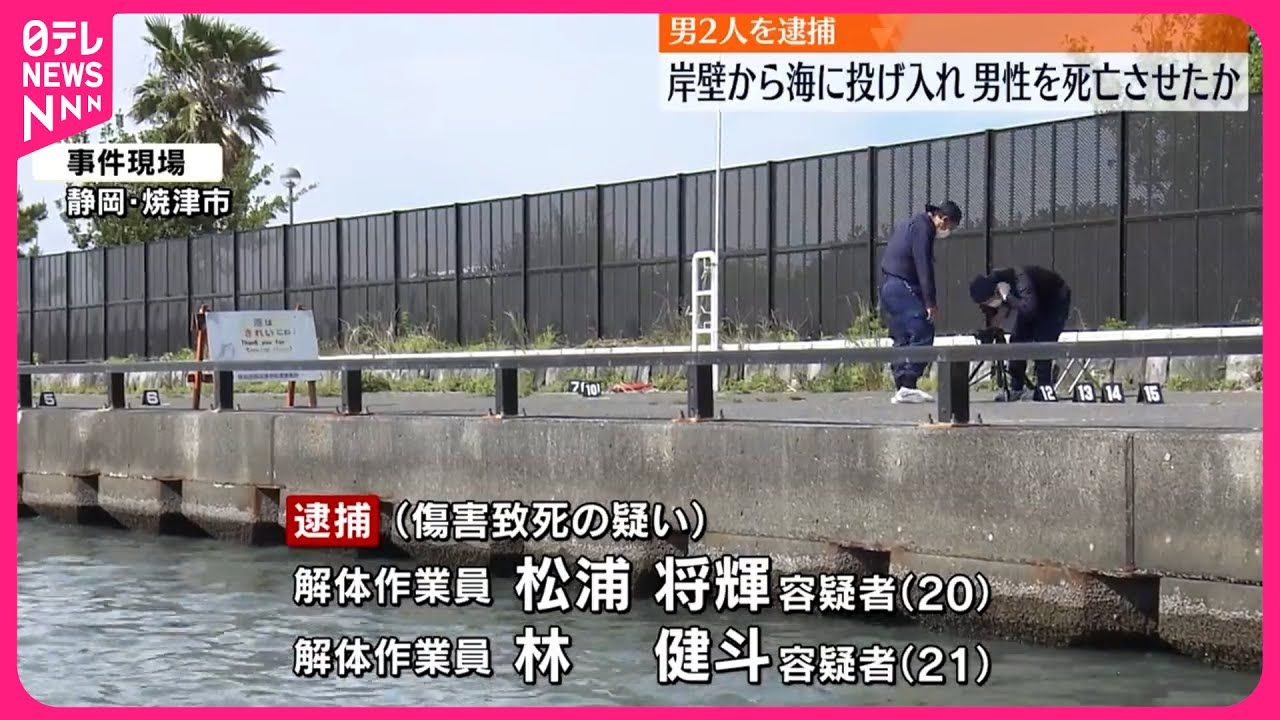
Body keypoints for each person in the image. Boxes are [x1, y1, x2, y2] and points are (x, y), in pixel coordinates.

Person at [879, 201, 963, 404]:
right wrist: (930, 301)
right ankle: (908, 383)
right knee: (923, 328)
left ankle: (903, 386)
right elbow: (923, 265)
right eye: (950, 227)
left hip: (890, 285)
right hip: (902, 284)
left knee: (902, 335)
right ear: (943, 220)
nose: (947, 232)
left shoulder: (912, 224)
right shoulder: (923, 228)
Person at [968, 265, 1073, 402]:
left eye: (990, 300)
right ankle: (1016, 388)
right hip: (1031, 301)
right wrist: (993, 329)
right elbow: (1002, 310)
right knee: (1017, 341)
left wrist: (1007, 296)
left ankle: (1044, 388)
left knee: (1043, 342)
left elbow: (1028, 309)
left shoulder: (1021, 280)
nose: (991, 303)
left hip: (1054, 300)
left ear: (997, 290)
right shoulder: (996, 284)